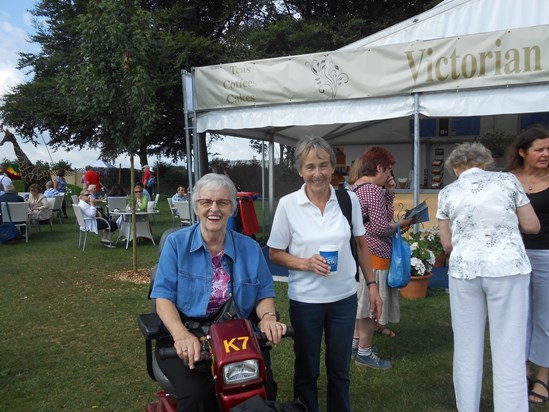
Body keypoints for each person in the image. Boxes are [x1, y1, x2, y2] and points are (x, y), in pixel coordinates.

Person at [151, 173, 287, 412]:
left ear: (232, 208)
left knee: (262, 386)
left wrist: (268, 318)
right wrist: (180, 334)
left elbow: (264, 292)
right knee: (197, 396)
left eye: (222, 202)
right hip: (189, 335)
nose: (214, 209)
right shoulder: (176, 244)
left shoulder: (250, 247)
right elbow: (163, 297)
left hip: (236, 336)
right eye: (206, 202)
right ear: (196, 207)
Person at [267, 135, 382, 412]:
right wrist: (305, 264)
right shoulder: (288, 205)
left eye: (323, 166)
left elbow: (362, 244)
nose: (317, 173)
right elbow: (274, 252)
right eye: (310, 167)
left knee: (339, 370)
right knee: (306, 371)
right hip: (306, 301)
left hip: (343, 298)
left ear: (333, 167)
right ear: (300, 171)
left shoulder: (348, 200)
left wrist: (372, 286)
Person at [436, 142, 540, 412]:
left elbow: (446, 244)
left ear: (456, 168)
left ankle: (467, 408)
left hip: (465, 271)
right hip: (507, 267)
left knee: (466, 345)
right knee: (509, 345)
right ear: (484, 163)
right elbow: (532, 225)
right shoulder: (508, 181)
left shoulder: (447, 192)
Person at [349, 148, 412, 370]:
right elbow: (381, 227)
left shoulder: (356, 188)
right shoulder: (373, 191)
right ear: (379, 167)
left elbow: (376, 218)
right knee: (368, 309)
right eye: (388, 171)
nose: (389, 176)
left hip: (359, 254)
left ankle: (355, 347)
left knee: (360, 306)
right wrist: (403, 224)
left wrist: (390, 192)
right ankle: (364, 353)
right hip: (374, 255)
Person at [508, 126, 549, 405]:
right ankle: (520, 370)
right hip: (512, 255)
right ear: (522, 152)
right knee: (517, 316)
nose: (546, 154)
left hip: (546, 254)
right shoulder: (507, 179)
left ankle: (544, 375)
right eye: (539, 149)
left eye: (548, 149)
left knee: (546, 317)